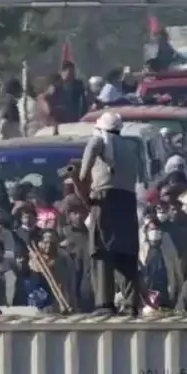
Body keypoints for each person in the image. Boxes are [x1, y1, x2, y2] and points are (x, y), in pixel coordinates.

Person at [79, 112, 143, 315]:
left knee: (102, 250)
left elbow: (87, 160)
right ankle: (131, 302)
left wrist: (81, 176)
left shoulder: (99, 140)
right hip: (128, 201)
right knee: (126, 253)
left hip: (105, 199)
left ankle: (104, 303)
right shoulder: (129, 147)